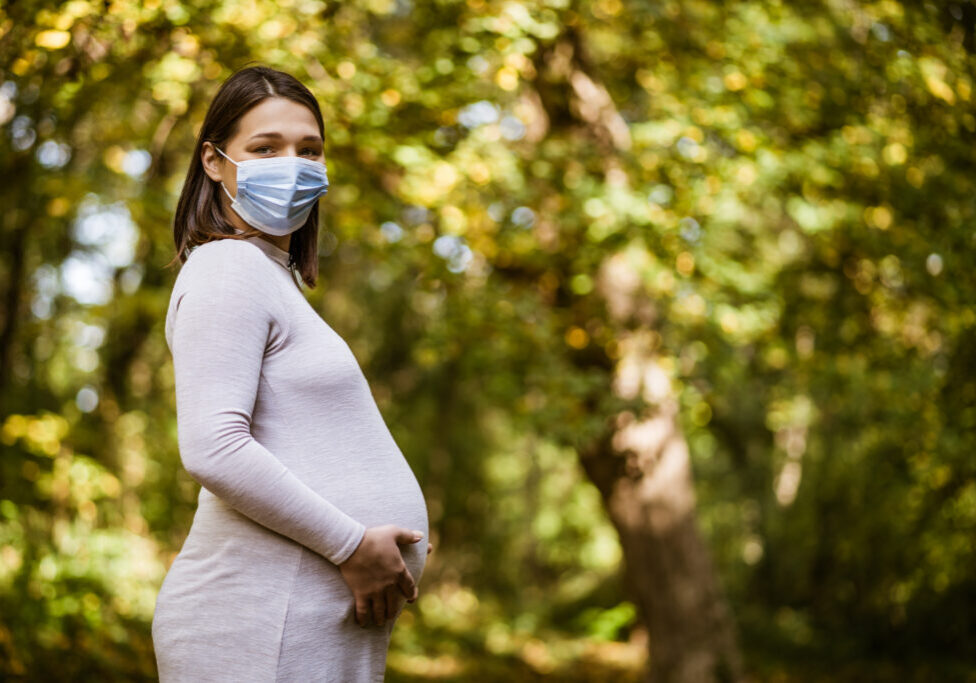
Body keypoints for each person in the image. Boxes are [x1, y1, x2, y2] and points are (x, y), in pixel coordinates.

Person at [152, 64, 432, 682]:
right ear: (214, 161)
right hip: (254, 622)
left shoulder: (268, 278)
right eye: (265, 147)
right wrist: (352, 546)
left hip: (293, 619)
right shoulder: (227, 267)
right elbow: (213, 448)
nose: (293, 164)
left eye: (310, 150)